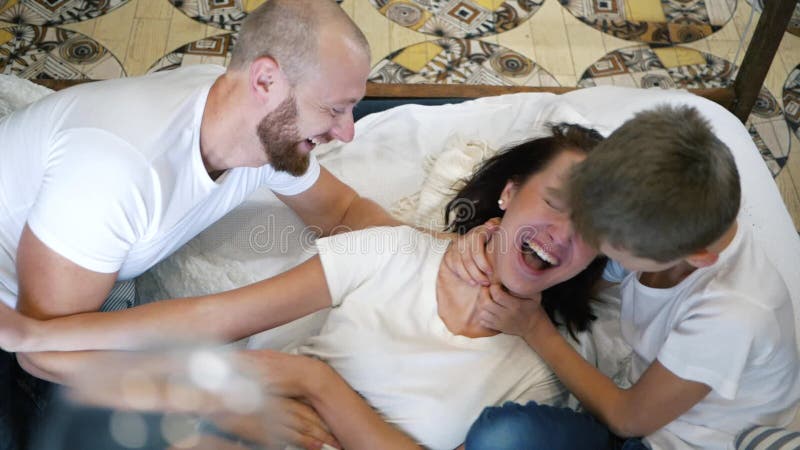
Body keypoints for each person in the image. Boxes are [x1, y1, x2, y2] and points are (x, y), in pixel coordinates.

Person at [1, 125, 608, 450]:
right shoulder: (396, 252)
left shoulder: (543, 373)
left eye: (592, 229)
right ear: (509, 193)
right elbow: (214, 317)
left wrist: (315, 384)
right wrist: (43, 332)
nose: (561, 235)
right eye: (555, 204)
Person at [0, 1, 405, 448]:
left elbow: (343, 212)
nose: (348, 132)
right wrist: (218, 404)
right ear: (266, 80)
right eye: (334, 109)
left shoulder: (259, 126)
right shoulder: (116, 173)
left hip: (68, 307)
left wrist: (429, 255)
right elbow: (42, 352)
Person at [467, 105, 800, 449]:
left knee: (501, 438)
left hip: (673, 439)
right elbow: (590, 280)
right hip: (635, 401)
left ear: (697, 257)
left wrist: (533, 326)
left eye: (610, 245)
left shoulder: (731, 315)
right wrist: (492, 240)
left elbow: (628, 419)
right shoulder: (659, 217)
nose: (582, 239)